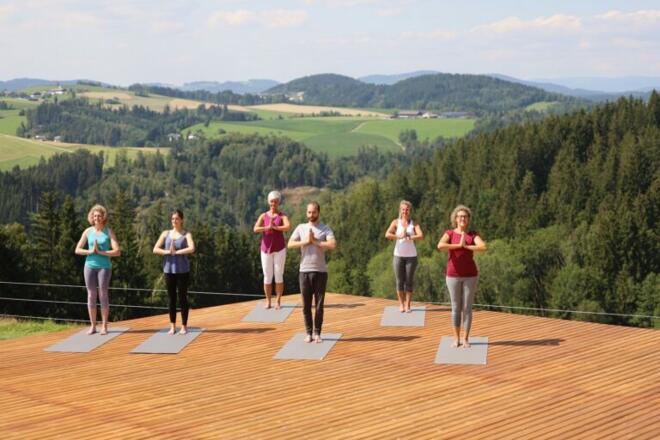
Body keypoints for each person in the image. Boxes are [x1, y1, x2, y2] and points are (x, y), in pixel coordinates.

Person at [437, 205, 487, 348]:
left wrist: (467, 247)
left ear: (468, 219)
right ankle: (456, 338)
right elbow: (440, 245)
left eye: (465, 216)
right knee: (455, 308)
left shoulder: (472, 235)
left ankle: (465, 339)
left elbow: (483, 247)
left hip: (470, 276)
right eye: (460, 216)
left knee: (467, 308)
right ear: (455, 219)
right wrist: (458, 245)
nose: (462, 219)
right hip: (452, 276)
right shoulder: (450, 233)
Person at [287, 202, 336, 343]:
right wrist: (306, 241)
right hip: (304, 271)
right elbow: (290, 244)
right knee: (306, 305)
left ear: (318, 212)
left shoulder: (325, 228)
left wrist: (315, 242)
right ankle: (308, 333)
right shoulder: (301, 227)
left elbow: (332, 244)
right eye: (309, 212)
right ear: (306, 213)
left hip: (320, 271)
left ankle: (317, 333)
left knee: (319, 305)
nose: (311, 215)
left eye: (314, 212)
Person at [75, 204, 121, 335]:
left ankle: (104, 326)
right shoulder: (87, 231)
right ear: (92, 217)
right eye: (95, 216)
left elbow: (117, 251)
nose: (97, 218)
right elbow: (77, 249)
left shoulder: (108, 232)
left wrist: (101, 252)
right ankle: (93, 326)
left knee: (103, 295)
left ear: (103, 217)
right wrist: (90, 251)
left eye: (99, 216)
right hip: (89, 266)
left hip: (104, 267)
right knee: (91, 295)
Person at [153, 210, 195, 335]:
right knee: (171, 298)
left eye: (176, 218)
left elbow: (192, 248)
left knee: (182, 298)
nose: (174, 221)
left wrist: (177, 252)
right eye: (172, 218)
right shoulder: (165, 233)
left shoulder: (186, 234)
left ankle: (184, 326)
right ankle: (172, 326)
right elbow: (155, 249)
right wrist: (168, 252)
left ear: (182, 220)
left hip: (183, 271)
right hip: (168, 270)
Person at [385, 200, 424, 313]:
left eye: (407, 209)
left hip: (411, 256)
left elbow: (421, 236)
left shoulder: (414, 224)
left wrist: (410, 237)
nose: (405, 211)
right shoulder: (395, 222)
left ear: (410, 211)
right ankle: (401, 304)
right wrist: (399, 236)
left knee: (409, 281)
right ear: (400, 210)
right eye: (403, 209)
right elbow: (387, 234)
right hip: (398, 256)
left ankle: (408, 305)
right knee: (399, 281)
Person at [253, 191, 290, 310]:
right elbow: (255, 229)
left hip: (279, 250)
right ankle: (268, 301)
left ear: (279, 202)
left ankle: (278, 301)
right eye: (272, 201)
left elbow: (287, 227)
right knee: (267, 276)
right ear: (269, 202)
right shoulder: (263, 216)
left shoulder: (282, 216)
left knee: (279, 275)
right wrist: (267, 227)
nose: (273, 203)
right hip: (265, 250)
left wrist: (275, 227)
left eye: (276, 201)